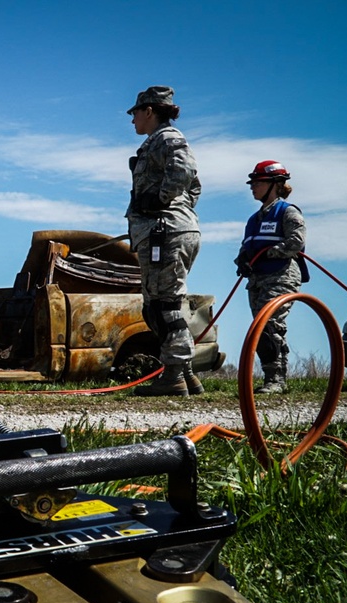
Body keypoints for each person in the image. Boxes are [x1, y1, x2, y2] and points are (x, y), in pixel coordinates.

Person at [125, 86, 204, 397]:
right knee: (157, 306)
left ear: (149, 111)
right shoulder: (155, 143)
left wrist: (161, 201)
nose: (132, 120)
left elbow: (187, 171)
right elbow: (194, 188)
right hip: (166, 230)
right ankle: (185, 375)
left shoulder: (167, 138)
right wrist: (178, 208)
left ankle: (173, 375)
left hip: (166, 233)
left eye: (135, 113)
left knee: (165, 307)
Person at [234, 161, 308, 394]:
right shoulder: (253, 220)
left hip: (281, 275)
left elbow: (297, 242)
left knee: (270, 324)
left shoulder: (287, 212)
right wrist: (243, 262)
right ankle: (270, 377)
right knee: (259, 328)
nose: (253, 187)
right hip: (257, 279)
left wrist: (269, 252)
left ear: (275, 185)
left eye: (258, 182)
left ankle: (277, 380)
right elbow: (245, 248)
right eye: (253, 183)